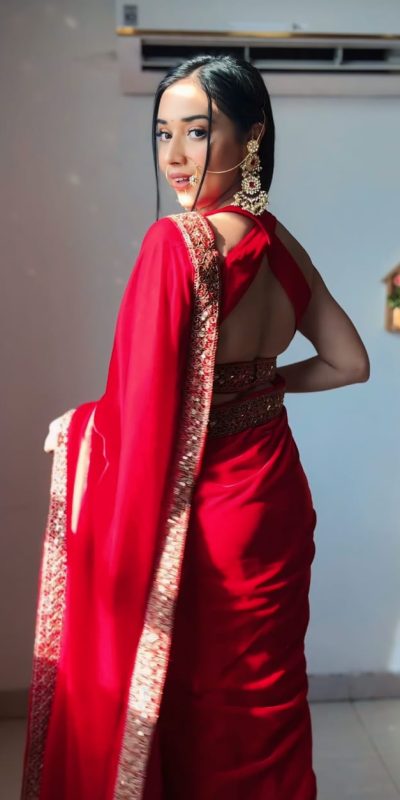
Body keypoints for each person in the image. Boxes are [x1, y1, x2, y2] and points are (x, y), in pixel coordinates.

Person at [20, 54, 370, 800]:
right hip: (274, 502)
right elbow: (349, 364)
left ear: (252, 137)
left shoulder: (176, 244)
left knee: (197, 715)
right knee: (263, 709)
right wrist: (262, 384)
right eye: (162, 133)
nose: (175, 155)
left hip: (205, 518)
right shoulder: (282, 244)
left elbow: (142, 408)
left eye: (198, 131)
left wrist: (81, 427)